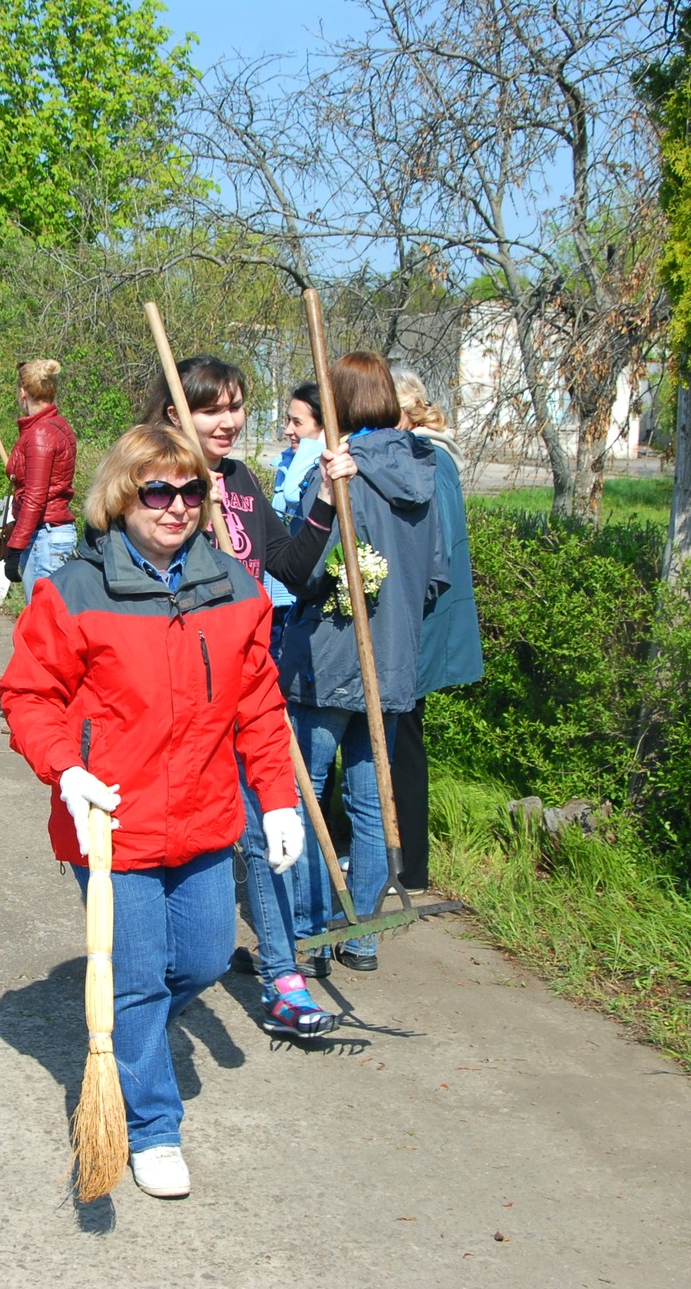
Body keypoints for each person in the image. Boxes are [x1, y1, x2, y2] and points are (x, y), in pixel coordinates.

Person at [0, 425, 303, 1199]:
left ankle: (128, 1024)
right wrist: (65, 769)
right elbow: (29, 695)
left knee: (201, 958)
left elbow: (261, 706)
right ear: (122, 496)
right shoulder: (74, 589)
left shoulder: (235, 587)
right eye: (156, 491)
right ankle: (153, 1127)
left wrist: (277, 801)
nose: (175, 506)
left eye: (189, 491)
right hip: (109, 824)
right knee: (136, 977)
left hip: (203, 822)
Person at [144, 354, 356, 1036]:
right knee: (175, 843)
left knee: (268, 832)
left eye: (236, 406)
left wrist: (325, 496)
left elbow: (288, 567)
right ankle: (153, 982)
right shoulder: (155, 484)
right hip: (178, 699)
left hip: (249, 685)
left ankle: (282, 978)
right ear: (176, 411)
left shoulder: (239, 481)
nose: (229, 420)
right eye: (213, 408)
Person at [282, 352, 451, 972]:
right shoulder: (426, 474)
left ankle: (306, 927)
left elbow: (306, 563)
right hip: (393, 663)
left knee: (305, 794)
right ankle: (361, 934)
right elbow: (436, 576)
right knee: (370, 802)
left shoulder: (341, 472)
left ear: (341, 404)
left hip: (329, 660)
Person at [389, 364, 483, 893]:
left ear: (403, 408)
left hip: (420, 622)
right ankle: (401, 859)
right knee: (403, 736)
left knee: (404, 739)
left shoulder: (430, 458)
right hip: (418, 619)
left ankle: (413, 866)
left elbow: (433, 553)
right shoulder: (429, 453)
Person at [1, 359, 77, 585]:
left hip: (45, 537)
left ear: (23, 392)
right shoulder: (56, 424)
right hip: (51, 534)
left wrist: (15, 547)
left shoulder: (40, 433)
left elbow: (35, 497)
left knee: (43, 618)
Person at [265, 382, 328, 650]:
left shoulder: (316, 462)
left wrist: (315, 447)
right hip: (274, 594)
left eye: (297, 423)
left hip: (294, 597)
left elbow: (294, 495)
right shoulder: (286, 461)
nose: (288, 430)